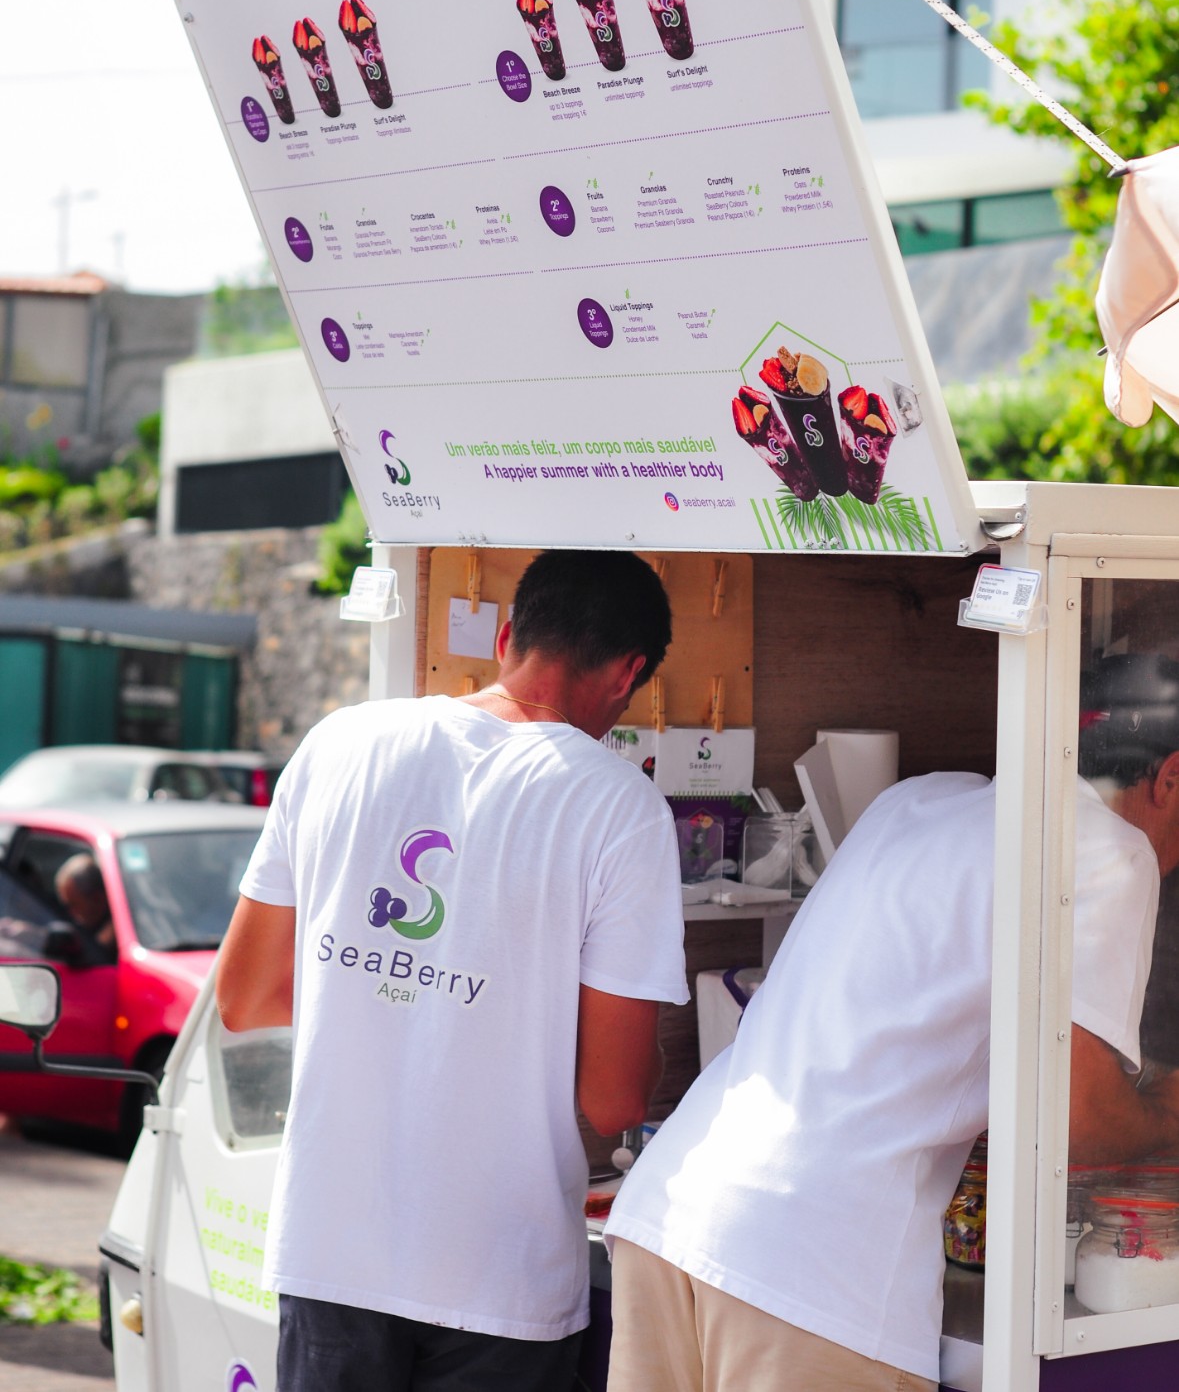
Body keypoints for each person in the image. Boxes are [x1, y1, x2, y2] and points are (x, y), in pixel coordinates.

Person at [605, 652, 1179, 1392]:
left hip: (674, 1211)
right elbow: (1077, 1119)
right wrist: (1165, 1113)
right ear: (1170, 777)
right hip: (811, 1267)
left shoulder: (918, 800)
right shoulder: (1105, 848)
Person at [216, 549, 688, 1392]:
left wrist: (381, 1003)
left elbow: (246, 999)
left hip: (331, 1254)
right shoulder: (618, 806)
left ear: (507, 636)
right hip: (498, 1280)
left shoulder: (340, 742)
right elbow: (613, 1099)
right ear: (629, 673)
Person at [54, 854, 116, 954]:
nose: (70, 913)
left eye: (73, 905)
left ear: (97, 899)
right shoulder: (82, 929)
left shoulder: (123, 930)